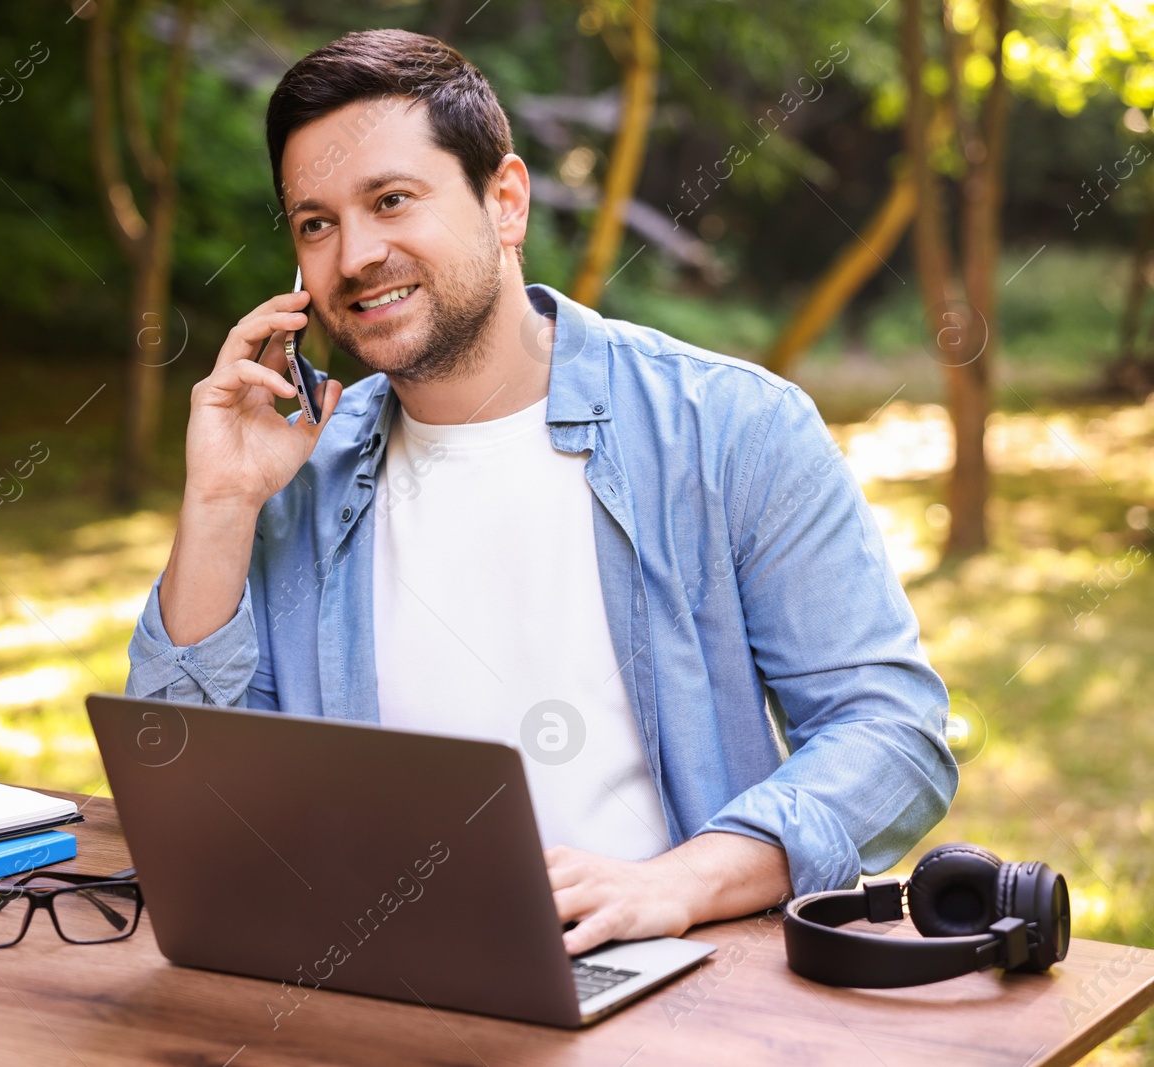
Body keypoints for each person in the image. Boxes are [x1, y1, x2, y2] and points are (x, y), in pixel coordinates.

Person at [125, 28, 957, 955]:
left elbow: (891, 735)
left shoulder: (732, 429)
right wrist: (221, 505)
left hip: (672, 983)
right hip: (373, 984)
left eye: (391, 200)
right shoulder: (298, 467)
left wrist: (675, 885)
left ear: (505, 200)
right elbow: (193, 796)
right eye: (315, 223)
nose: (355, 255)